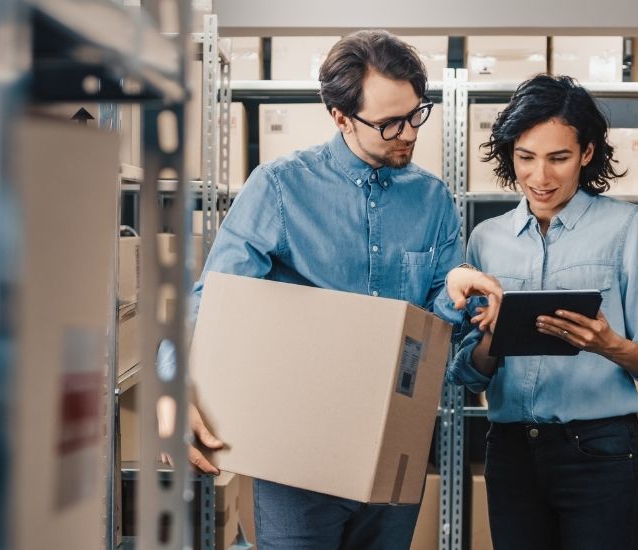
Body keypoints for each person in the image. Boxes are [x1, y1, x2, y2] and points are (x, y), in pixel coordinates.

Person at [170, 29, 502, 549]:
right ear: (340, 116)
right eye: (390, 123)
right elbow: (211, 302)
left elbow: (433, 324)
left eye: (416, 113)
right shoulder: (280, 187)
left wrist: (455, 291)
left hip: (396, 443)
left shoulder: (433, 199)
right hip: (297, 451)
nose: (409, 132)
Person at [447, 74, 638, 550]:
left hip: (599, 450)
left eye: (559, 158)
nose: (540, 177)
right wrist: (493, 336)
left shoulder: (626, 227)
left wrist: (610, 346)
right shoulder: (485, 240)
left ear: (587, 153)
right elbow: (470, 376)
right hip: (511, 452)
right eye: (526, 158)